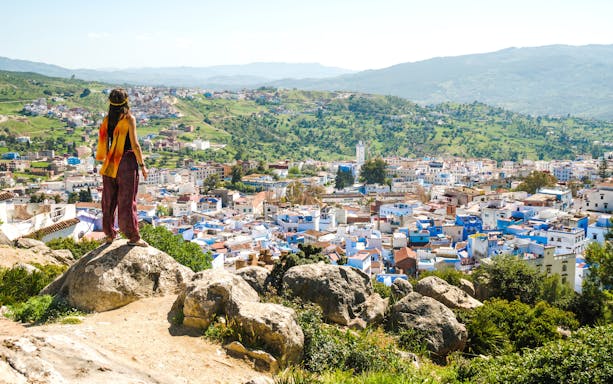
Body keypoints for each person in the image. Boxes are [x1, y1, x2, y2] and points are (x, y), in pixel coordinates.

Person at [96, 88, 148, 246]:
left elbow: (104, 145)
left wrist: (106, 162)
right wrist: (143, 165)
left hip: (110, 164)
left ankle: (110, 234)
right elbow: (136, 145)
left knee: (108, 201)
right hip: (126, 163)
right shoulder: (128, 119)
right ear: (126, 102)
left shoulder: (107, 119)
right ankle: (133, 237)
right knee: (126, 201)